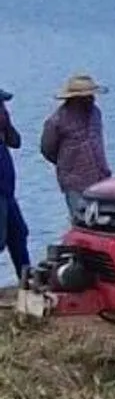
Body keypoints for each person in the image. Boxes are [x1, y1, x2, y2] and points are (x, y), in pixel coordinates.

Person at [40, 74, 112, 219]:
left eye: (91, 95)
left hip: (101, 178)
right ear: (74, 99)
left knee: (105, 222)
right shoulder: (56, 121)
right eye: (86, 96)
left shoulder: (95, 113)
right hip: (75, 183)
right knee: (82, 222)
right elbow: (47, 150)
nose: (91, 99)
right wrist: (68, 165)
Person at [0, 89, 29, 281]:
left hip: (7, 193)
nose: (3, 109)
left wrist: (6, 124)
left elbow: (16, 141)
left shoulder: (3, 132)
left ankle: (26, 280)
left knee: (19, 234)